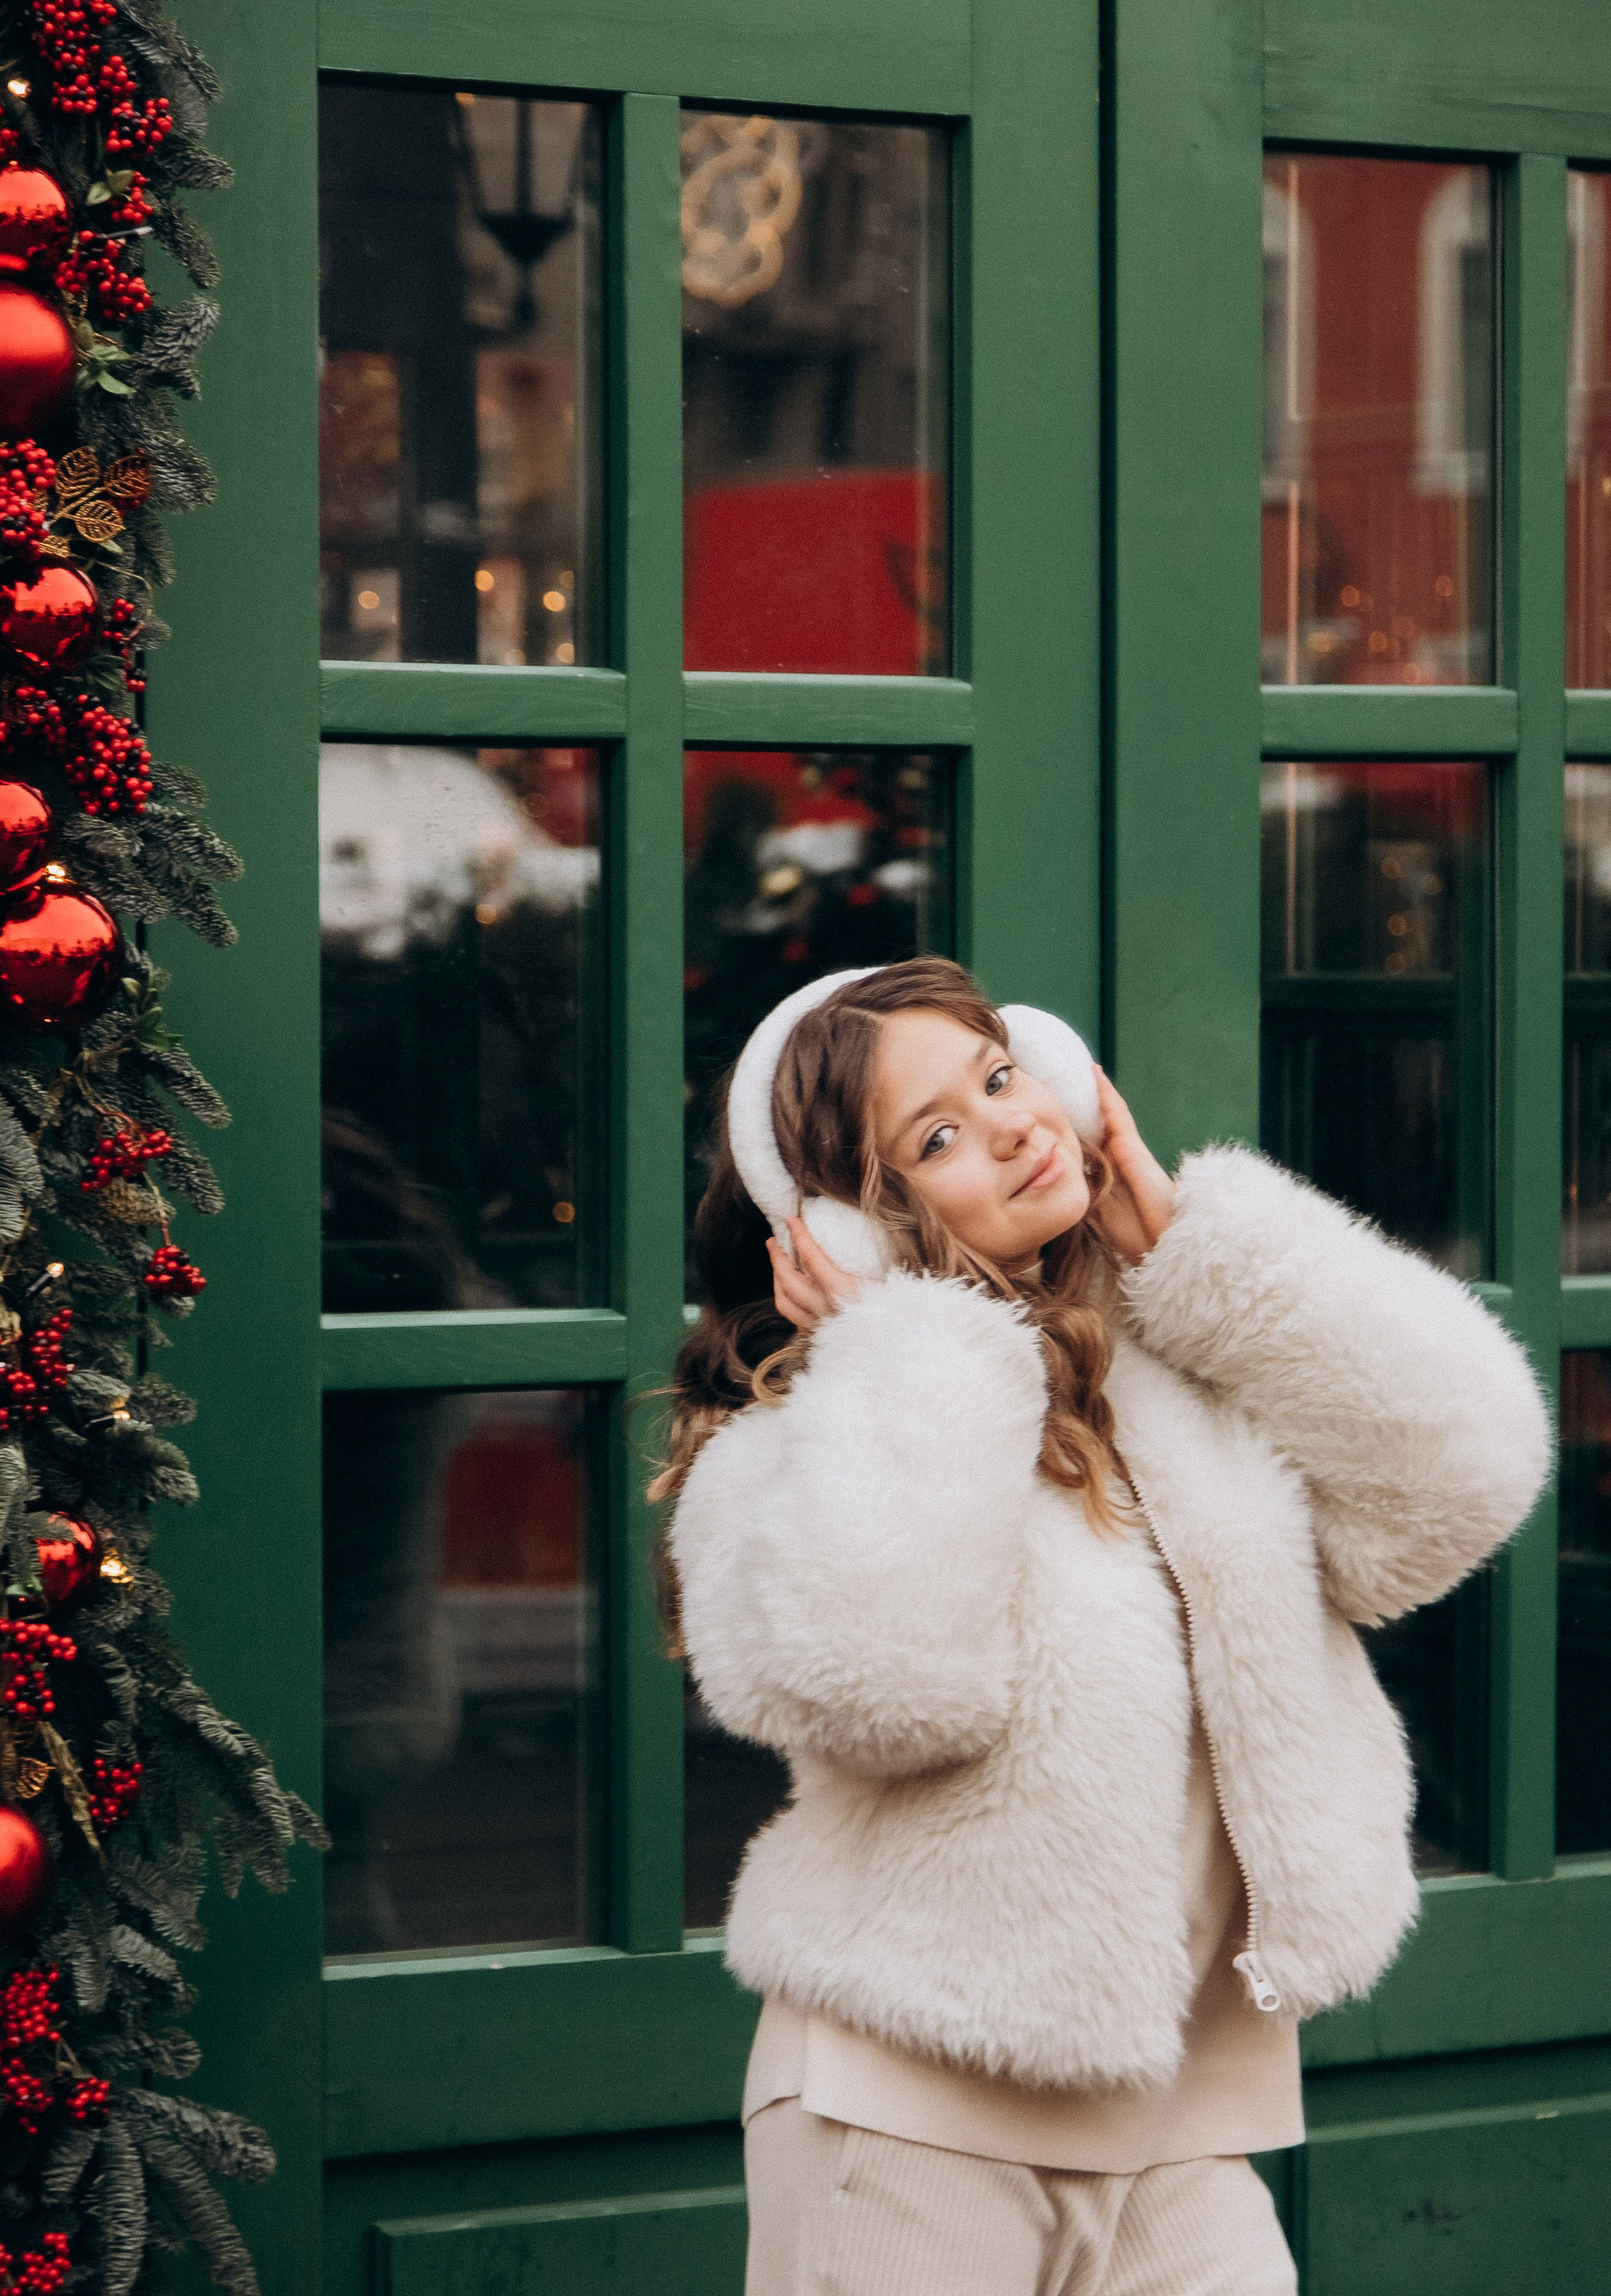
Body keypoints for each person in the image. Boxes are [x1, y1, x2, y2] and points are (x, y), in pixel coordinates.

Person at [654, 956, 1549, 2296]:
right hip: (905, 2123)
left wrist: (1199, 1251)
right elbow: (884, 1686)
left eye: (1002, 1074)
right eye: (938, 1135)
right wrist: (902, 1346)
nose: (1013, 1125)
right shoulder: (798, 1444)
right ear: (853, 1222)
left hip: (1183, 2125)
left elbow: (1468, 1472)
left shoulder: (1186, 1371)